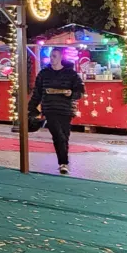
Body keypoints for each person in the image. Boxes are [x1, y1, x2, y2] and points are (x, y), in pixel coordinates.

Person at [29, 46, 85, 175]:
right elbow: (37, 92)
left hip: (66, 109)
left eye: (55, 56)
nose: (52, 59)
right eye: (51, 56)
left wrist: (70, 93)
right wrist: (31, 108)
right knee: (58, 135)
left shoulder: (71, 74)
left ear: (61, 57)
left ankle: (63, 162)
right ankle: (63, 163)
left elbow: (80, 92)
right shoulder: (44, 73)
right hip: (50, 108)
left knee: (64, 136)